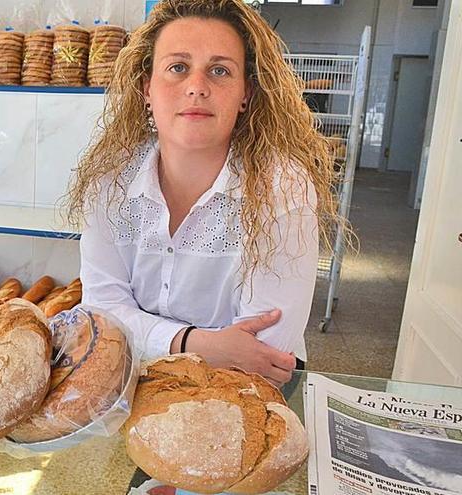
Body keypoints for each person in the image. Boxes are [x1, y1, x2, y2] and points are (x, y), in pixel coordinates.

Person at [67, 0, 344, 388]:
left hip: (248, 390)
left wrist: (145, 337)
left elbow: (262, 351)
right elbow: (101, 312)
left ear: (245, 92)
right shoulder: (110, 180)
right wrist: (194, 342)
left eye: (219, 70)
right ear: (147, 88)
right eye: (178, 67)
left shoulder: (282, 186)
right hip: (134, 384)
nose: (197, 87)